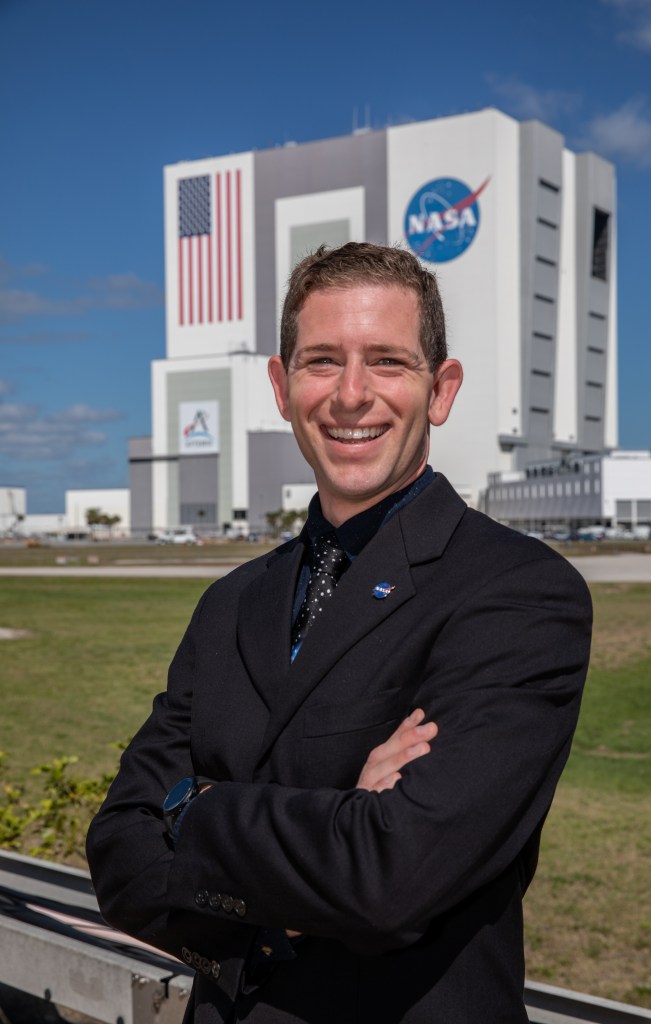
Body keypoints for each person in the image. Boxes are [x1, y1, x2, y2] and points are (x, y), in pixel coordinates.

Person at [87, 242, 592, 1024]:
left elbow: (390, 880)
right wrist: (325, 838)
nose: (351, 395)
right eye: (321, 362)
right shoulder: (230, 603)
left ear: (441, 388)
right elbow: (119, 856)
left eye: (387, 361)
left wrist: (191, 809)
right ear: (282, 387)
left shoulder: (518, 593)